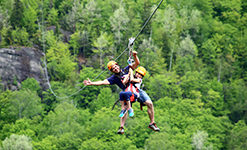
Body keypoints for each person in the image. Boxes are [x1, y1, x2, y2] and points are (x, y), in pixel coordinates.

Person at [83, 51, 160, 134]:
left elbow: (137, 63)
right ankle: (121, 127)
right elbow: (102, 82)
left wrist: (135, 55)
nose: (115, 68)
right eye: (113, 69)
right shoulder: (114, 78)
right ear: (112, 71)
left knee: (150, 104)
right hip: (127, 92)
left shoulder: (126, 69)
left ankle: (152, 123)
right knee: (125, 108)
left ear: (118, 65)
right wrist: (91, 83)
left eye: (115, 66)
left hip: (136, 89)